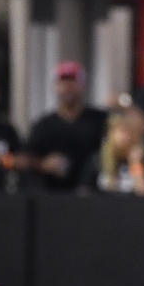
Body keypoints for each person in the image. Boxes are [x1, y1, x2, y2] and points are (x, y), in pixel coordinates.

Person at [26, 61, 108, 191]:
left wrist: (123, 105)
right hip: (53, 195)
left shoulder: (100, 119)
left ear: (82, 85)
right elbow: (26, 158)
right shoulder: (43, 125)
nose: (68, 87)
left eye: (73, 81)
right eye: (63, 82)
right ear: (55, 86)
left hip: (94, 195)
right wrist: (43, 164)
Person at [80, 107, 144, 196]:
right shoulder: (97, 160)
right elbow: (83, 193)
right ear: (111, 133)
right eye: (122, 130)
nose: (126, 137)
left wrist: (136, 164)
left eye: (131, 131)